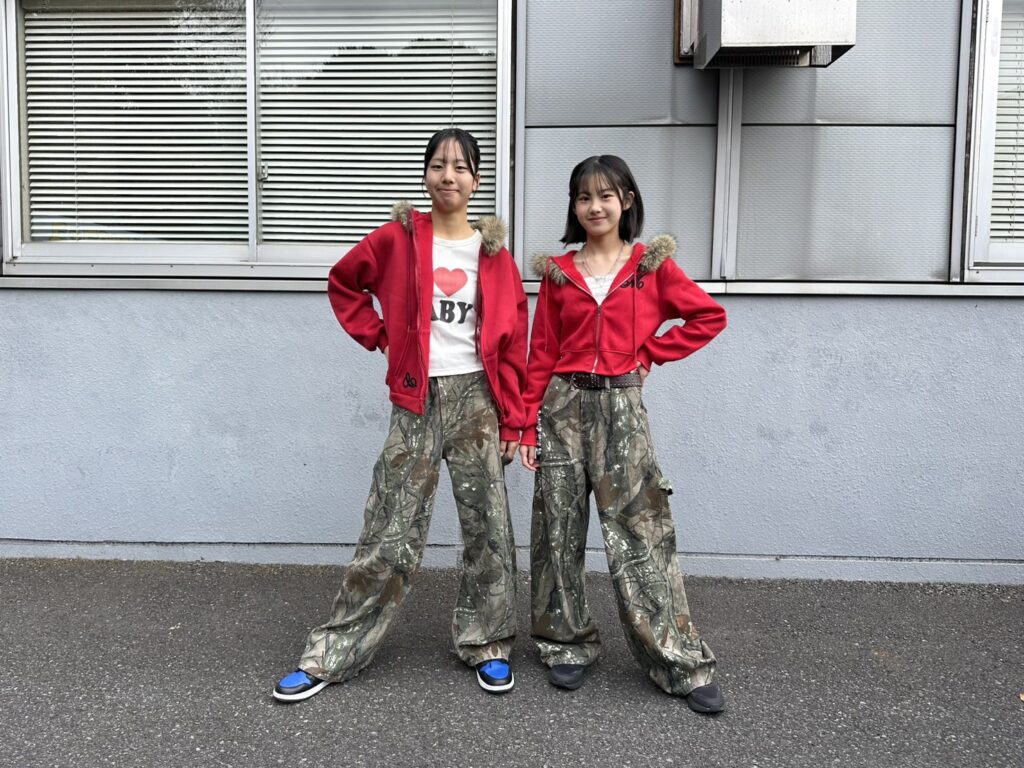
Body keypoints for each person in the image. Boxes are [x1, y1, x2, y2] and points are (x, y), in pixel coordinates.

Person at [273, 128, 528, 702]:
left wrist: (515, 419)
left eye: (460, 166)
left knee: (488, 527)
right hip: (415, 400)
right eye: (438, 164)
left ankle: (488, 643)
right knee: (388, 528)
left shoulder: (494, 256)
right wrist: (383, 336)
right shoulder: (396, 239)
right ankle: (334, 652)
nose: (448, 175)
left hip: (478, 401)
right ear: (425, 174)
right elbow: (344, 283)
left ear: (476, 180)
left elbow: (515, 343)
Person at [520, 155, 728, 714]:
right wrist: (526, 425)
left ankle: (676, 660)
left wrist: (650, 353)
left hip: (621, 408)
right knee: (557, 529)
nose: (595, 206)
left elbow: (708, 317)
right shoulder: (558, 273)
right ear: (574, 206)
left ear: (626, 201)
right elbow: (541, 352)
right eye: (584, 197)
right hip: (561, 407)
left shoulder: (649, 267)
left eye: (605, 196)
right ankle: (565, 643)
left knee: (641, 532)